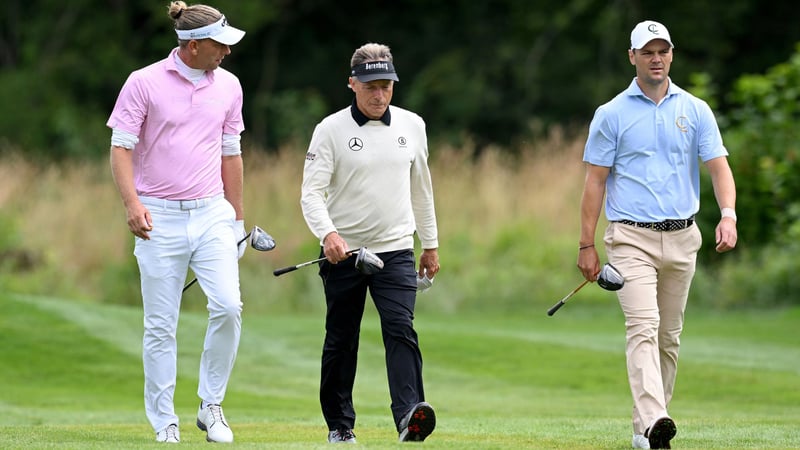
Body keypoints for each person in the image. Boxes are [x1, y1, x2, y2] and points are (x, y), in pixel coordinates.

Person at [577, 20, 738, 450]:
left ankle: (644, 429)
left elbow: (719, 167)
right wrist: (587, 244)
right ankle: (657, 419)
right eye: (647, 51)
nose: (656, 58)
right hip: (631, 239)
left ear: (671, 54)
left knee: (668, 337)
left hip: (684, 238)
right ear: (632, 57)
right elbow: (594, 182)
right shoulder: (611, 114)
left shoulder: (695, 109)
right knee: (643, 328)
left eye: (662, 50)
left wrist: (728, 215)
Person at [107, 1, 247, 443]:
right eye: (219, 45)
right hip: (158, 217)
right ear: (193, 45)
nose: (226, 52)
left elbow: (231, 154)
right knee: (161, 325)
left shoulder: (229, 86)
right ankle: (165, 419)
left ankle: (211, 405)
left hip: (212, 214)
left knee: (228, 306)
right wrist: (132, 204)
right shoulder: (143, 82)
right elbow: (121, 148)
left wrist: (238, 219)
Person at [300, 42, 440, 444]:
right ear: (352, 84)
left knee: (401, 328)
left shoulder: (412, 126)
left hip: (395, 249)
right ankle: (340, 425)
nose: (379, 95)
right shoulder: (330, 130)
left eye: (386, 86)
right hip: (344, 252)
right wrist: (327, 234)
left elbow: (422, 191)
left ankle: (410, 416)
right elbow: (311, 193)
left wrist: (429, 244)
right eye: (370, 87)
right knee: (342, 338)